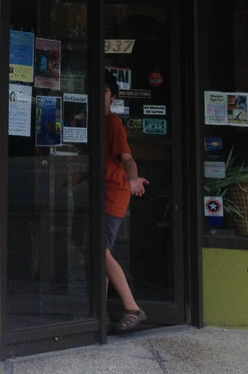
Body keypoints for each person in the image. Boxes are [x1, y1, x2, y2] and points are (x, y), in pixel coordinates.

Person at [104, 71, 149, 333]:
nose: (99, 96)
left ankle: (132, 308)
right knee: (99, 253)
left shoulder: (113, 123)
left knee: (100, 251)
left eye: (105, 91)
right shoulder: (96, 122)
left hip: (114, 193)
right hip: (101, 192)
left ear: (113, 96)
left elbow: (127, 158)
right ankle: (99, 312)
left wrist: (133, 179)